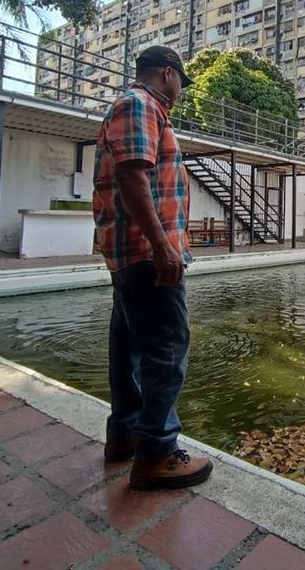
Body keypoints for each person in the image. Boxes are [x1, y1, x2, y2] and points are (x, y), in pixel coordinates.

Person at [92, 44, 212, 490]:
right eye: (181, 81)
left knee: (128, 348)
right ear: (167, 74)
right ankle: (157, 453)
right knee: (166, 350)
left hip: (130, 255)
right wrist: (164, 249)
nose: (181, 90)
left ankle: (124, 436)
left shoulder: (139, 109)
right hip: (146, 255)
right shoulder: (140, 104)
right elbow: (131, 176)